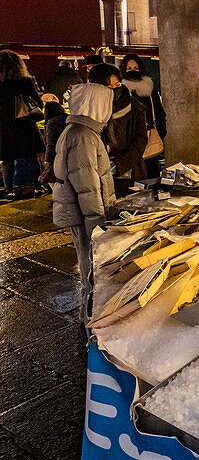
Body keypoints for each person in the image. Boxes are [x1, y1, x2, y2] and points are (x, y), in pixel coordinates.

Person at [52, 82, 115, 309]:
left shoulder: (79, 130)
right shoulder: (83, 136)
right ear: (96, 105)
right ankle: (93, 314)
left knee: (86, 260)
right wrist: (98, 227)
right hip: (86, 214)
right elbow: (87, 187)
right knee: (91, 264)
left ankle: (91, 310)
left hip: (82, 212)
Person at [91, 63, 147, 187]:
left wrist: (117, 164)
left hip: (130, 172)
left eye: (117, 85)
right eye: (107, 87)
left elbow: (140, 140)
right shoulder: (89, 111)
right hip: (96, 174)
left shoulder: (135, 107)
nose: (113, 90)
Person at [0, 49, 44, 199]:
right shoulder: (25, 81)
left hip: (4, 127)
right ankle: (37, 186)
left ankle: (9, 189)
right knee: (31, 157)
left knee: (7, 159)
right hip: (25, 125)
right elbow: (38, 103)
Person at [119, 54, 166, 171]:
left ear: (141, 69)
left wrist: (160, 131)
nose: (132, 71)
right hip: (129, 141)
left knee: (150, 170)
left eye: (136, 68)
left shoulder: (149, 88)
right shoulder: (120, 91)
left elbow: (159, 112)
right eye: (129, 69)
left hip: (149, 136)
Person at [39, 93, 68, 187]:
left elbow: (51, 143)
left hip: (58, 155)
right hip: (71, 151)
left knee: (56, 180)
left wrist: (48, 160)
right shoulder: (68, 118)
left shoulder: (51, 123)